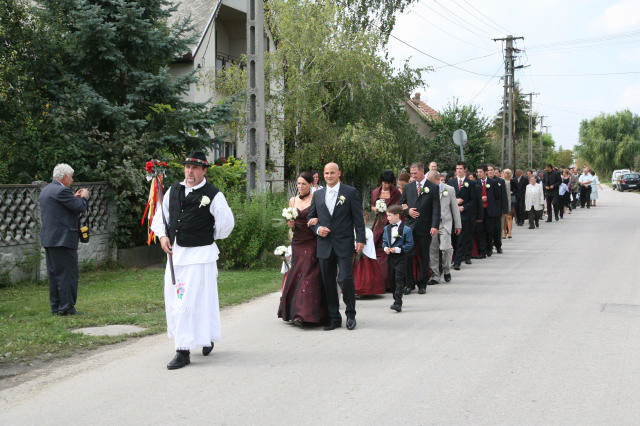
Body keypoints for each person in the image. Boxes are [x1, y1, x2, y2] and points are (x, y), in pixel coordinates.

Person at [151, 151, 234, 370]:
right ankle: (199, 337)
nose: (190, 171)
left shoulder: (213, 195)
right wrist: (162, 236)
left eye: (195, 168)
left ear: (204, 170)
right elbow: (161, 216)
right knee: (176, 299)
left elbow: (226, 224)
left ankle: (183, 350)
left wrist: (208, 236)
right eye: (187, 167)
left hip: (200, 257)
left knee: (194, 301)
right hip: (177, 256)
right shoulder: (173, 190)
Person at [307, 162, 366, 331]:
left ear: (339, 173)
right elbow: (311, 219)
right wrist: (318, 229)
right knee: (328, 282)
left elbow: (358, 219)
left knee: (346, 279)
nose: (329, 176)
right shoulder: (318, 195)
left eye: (332, 172)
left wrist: (360, 239)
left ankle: (351, 314)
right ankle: (334, 318)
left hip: (344, 243)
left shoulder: (350, 192)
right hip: (324, 245)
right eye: (326, 173)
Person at [278, 172, 329, 326]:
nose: (300, 187)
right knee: (296, 273)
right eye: (298, 184)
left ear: (310, 185)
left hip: (311, 240)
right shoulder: (292, 200)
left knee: (309, 275)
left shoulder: (316, 198)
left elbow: (324, 217)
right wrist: (290, 224)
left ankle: (305, 313)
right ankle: (294, 311)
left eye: (304, 184)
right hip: (298, 241)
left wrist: (316, 220)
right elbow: (290, 222)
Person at [39, 163, 89, 316]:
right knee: (67, 275)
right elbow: (79, 207)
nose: (72, 180)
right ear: (65, 176)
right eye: (71, 177)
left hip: (50, 239)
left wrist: (73, 197)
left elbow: (61, 208)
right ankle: (67, 307)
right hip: (63, 239)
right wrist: (85, 197)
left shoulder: (46, 190)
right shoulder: (62, 191)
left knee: (54, 275)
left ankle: (56, 307)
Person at [399, 163, 440, 294]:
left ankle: (422, 284)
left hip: (425, 226)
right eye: (411, 173)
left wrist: (434, 226)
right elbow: (401, 204)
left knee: (424, 256)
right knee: (407, 256)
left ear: (422, 172)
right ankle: (409, 284)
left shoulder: (432, 187)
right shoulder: (408, 187)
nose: (413, 176)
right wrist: (408, 211)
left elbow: (436, 209)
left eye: (415, 173)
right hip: (409, 227)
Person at [370, 170, 402, 290]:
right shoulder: (375, 192)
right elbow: (372, 206)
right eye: (384, 183)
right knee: (378, 250)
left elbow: (398, 208)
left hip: (391, 224)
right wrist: (376, 209)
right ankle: (378, 282)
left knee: (389, 253)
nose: (386, 185)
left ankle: (390, 283)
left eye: (389, 183)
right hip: (379, 224)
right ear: (381, 181)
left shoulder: (396, 193)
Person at [428, 173, 461, 284]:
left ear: (438, 180)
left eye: (431, 181)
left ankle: (446, 269)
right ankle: (435, 275)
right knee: (432, 249)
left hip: (445, 223)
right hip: (432, 223)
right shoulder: (427, 189)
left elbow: (455, 208)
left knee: (446, 248)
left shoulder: (449, 189)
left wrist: (458, 225)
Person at [382, 205, 414, 312]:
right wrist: (385, 248)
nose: (388, 218)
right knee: (392, 279)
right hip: (391, 258)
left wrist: (399, 249)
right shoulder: (386, 228)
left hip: (401, 257)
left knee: (399, 279)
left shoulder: (406, 229)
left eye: (390, 216)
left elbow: (410, 244)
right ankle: (396, 298)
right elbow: (384, 242)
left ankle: (398, 303)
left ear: (397, 215)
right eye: (387, 216)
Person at [447, 161, 477, 269]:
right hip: (452, 215)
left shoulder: (471, 183)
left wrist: (463, 207)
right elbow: (446, 198)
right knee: (453, 238)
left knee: (461, 238)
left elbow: (473, 200)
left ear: (465, 170)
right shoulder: (451, 183)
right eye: (457, 168)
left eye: (460, 168)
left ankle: (457, 262)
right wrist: (454, 202)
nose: (458, 171)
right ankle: (453, 258)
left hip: (464, 214)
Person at [486, 164, 508, 254]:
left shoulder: (500, 181)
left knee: (497, 229)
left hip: (497, 209)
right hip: (487, 209)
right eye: (488, 170)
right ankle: (489, 247)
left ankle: (498, 246)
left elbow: (504, 196)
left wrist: (505, 209)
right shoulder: (484, 181)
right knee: (489, 229)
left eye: (491, 170)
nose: (490, 171)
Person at [502, 169, 514, 238]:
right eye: (504, 173)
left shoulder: (512, 181)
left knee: (509, 217)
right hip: (504, 200)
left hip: (510, 200)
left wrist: (512, 192)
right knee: (504, 217)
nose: (504, 174)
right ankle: (504, 232)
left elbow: (516, 189)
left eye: (506, 173)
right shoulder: (501, 181)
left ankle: (509, 232)